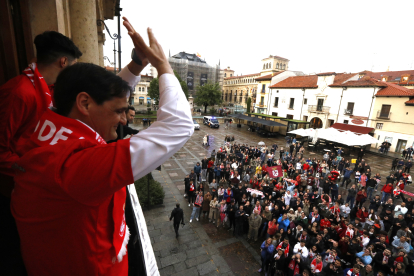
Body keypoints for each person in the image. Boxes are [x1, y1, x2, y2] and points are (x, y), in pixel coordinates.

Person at [10, 18, 194, 276]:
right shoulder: (78, 165)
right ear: (84, 104)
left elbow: (102, 99)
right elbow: (179, 126)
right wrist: (163, 65)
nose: (123, 120)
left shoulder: (47, 124)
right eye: (119, 112)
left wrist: (137, 64)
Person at [0, 31, 82, 275]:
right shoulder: (20, 92)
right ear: (63, 62)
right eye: (73, 66)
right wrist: (34, 173)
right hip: (14, 192)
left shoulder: (46, 88)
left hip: (34, 187)